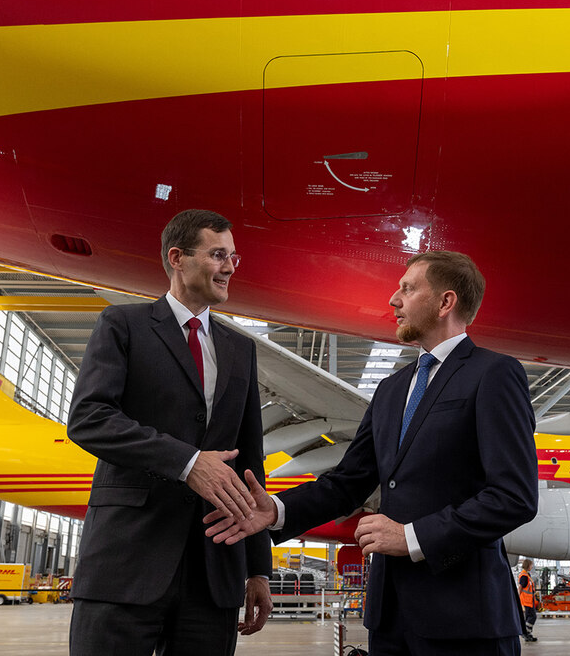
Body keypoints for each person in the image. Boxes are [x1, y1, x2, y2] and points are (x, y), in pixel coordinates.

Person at [207, 250, 538, 655]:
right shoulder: (392, 389)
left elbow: (514, 497)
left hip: (465, 616)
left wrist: (411, 537)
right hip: (389, 615)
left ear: (445, 302)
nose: (393, 301)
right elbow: (347, 484)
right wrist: (275, 511)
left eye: (408, 288)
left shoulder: (494, 374)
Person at [66, 209, 271, 655]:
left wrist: (258, 567)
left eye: (234, 256)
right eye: (218, 255)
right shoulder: (123, 325)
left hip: (212, 573)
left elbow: (251, 462)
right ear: (177, 258)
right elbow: (89, 418)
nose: (231, 266)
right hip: (126, 561)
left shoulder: (241, 349)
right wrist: (188, 463)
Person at [517, 558, 538, 643]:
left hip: (529, 600)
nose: (532, 566)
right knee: (532, 616)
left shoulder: (527, 575)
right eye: (531, 565)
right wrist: (517, 598)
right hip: (526, 600)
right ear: (528, 565)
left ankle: (528, 634)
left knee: (529, 616)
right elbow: (520, 587)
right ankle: (525, 633)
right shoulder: (524, 576)